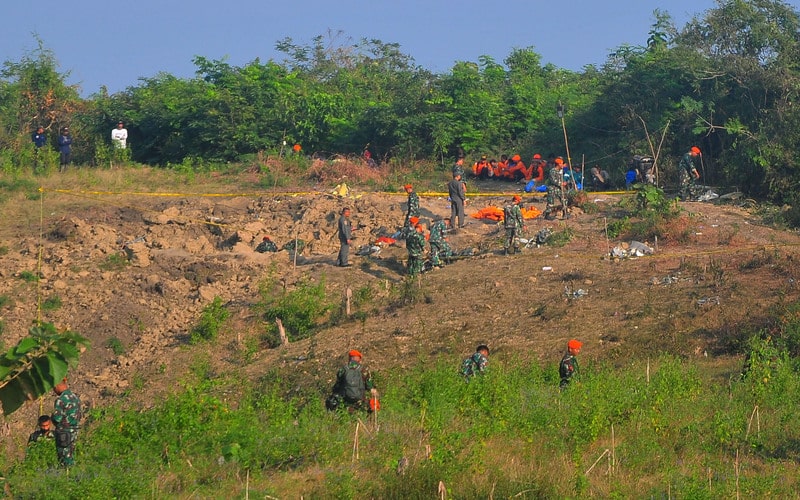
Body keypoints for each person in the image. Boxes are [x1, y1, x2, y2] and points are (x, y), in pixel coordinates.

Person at [52, 378, 81, 467]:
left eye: (54, 388)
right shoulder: (75, 397)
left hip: (64, 433)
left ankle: (66, 477)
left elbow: (57, 418)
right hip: (75, 430)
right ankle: (72, 474)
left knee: (64, 457)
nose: (54, 390)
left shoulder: (61, 400)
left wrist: (52, 417)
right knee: (72, 454)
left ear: (57, 385)